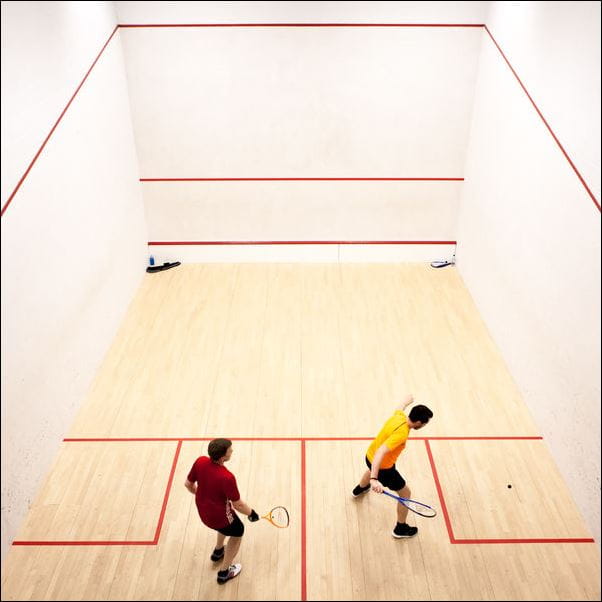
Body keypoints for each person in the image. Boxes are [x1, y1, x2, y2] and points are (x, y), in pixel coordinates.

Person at [352, 394, 433, 538]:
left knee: (371, 466)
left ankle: (360, 488)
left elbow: (400, 406)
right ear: (419, 422)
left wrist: (407, 401)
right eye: (425, 423)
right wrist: (374, 479)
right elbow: (381, 452)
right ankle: (400, 528)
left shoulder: (399, 417)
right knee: (405, 494)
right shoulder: (401, 434)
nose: (424, 425)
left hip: (369, 456)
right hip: (384, 468)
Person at [185, 438, 259, 584]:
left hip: (202, 512)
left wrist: (203, 495)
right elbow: (238, 505)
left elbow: (188, 484)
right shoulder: (227, 477)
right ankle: (224, 572)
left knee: (225, 526)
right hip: (219, 517)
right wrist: (252, 513)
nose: (232, 451)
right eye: (230, 450)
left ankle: (218, 551)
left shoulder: (200, 461)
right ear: (222, 457)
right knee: (238, 531)